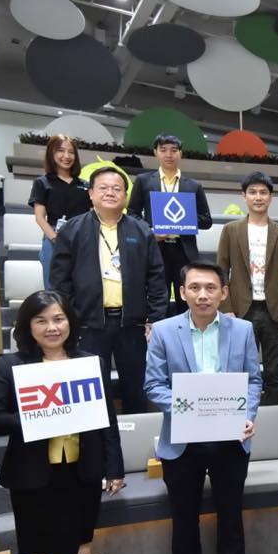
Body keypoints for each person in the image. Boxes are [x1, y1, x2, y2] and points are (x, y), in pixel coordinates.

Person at [0, 291, 124, 554]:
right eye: (41, 320)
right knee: (46, 546)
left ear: (70, 322)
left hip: (83, 469)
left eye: (58, 319)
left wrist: (114, 467)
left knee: (81, 540)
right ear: (27, 326)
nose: (51, 327)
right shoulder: (12, 366)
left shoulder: (89, 362)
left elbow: (107, 420)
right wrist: (37, 417)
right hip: (33, 474)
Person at [145, 262, 263, 554]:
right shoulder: (164, 331)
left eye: (211, 288)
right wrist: (189, 406)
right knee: (184, 518)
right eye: (194, 287)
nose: (202, 295)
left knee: (231, 515)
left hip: (230, 439)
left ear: (224, 293)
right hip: (183, 441)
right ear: (182, 292)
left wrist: (248, 415)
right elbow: (153, 386)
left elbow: (254, 380)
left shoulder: (242, 330)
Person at [51, 166, 167, 413]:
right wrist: (72, 316)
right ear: (91, 193)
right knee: (92, 389)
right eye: (103, 188)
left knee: (135, 387)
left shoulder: (141, 230)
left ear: (125, 196)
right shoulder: (72, 229)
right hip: (88, 324)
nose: (110, 193)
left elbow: (156, 277)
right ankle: (97, 437)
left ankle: (136, 431)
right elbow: (60, 280)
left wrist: (154, 318)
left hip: (133, 324)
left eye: (117, 189)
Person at [217, 171, 278, 405]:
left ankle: (272, 413)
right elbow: (221, 271)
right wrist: (226, 307)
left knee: (274, 370)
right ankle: (241, 415)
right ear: (244, 196)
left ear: (271, 197)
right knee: (241, 368)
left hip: (275, 311)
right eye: (252, 192)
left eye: (263, 192)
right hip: (241, 309)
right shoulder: (231, 230)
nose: (258, 197)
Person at [127, 133, 214, 315]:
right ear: (155, 152)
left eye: (174, 150)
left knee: (187, 298)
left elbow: (206, 220)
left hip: (184, 250)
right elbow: (132, 214)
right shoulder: (144, 181)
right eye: (163, 150)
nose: (169, 154)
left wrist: (184, 222)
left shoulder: (193, 185)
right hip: (156, 248)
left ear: (180, 153)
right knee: (158, 296)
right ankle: (157, 330)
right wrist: (150, 231)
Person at [30, 135, 91, 289]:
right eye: (61, 151)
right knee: (53, 288)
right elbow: (39, 217)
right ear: (51, 153)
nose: (66, 156)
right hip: (53, 239)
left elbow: (92, 214)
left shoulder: (85, 185)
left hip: (81, 240)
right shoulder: (42, 182)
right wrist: (55, 238)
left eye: (71, 152)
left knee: (81, 286)